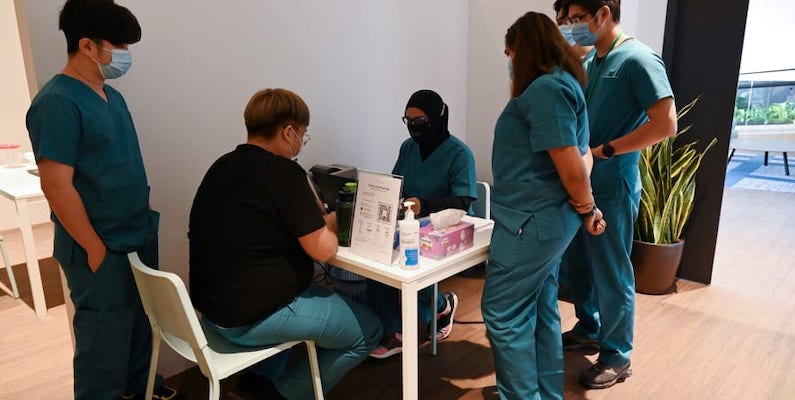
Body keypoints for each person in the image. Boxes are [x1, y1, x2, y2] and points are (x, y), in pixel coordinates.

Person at [25, 1, 182, 399]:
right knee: (104, 343)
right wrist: (94, 247)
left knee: (140, 323)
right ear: (88, 46)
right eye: (120, 45)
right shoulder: (58, 102)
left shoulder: (112, 96)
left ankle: (142, 388)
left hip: (134, 231)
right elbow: (56, 184)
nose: (125, 55)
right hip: (99, 245)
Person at [188, 88, 383, 399]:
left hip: (210, 312)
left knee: (301, 292)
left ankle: (256, 383)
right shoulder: (282, 172)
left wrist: (320, 222)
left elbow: (263, 227)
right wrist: (334, 225)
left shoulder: (222, 166)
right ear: (288, 131)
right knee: (368, 331)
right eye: (303, 135)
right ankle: (281, 395)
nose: (300, 144)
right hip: (250, 317)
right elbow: (324, 250)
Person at [481, 11, 606, 399]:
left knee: (503, 314)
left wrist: (587, 209)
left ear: (524, 49)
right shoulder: (564, 84)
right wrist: (587, 208)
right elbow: (582, 160)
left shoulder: (544, 91)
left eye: (509, 52)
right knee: (540, 308)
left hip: (530, 223)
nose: (508, 61)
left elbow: (572, 169)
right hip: (546, 221)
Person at [560, 0, 677, 389]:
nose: (574, 27)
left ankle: (617, 355)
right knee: (579, 264)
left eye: (578, 19)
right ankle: (589, 326)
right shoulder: (593, 60)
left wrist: (606, 150)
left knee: (611, 269)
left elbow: (666, 125)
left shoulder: (638, 60)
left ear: (604, 13)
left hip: (613, 182)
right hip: (584, 183)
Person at [367, 89, 478, 358]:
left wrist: (423, 205)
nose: (414, 128)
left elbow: (463, 202)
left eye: (420, 121)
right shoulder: (409, 148)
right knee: (377, 267)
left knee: (414, 273)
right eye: (409, 121)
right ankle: (396, 332)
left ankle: (441, 306)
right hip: (408, 224)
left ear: (438, 117)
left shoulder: (459, 154)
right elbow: (396, 185)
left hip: (442, 228)